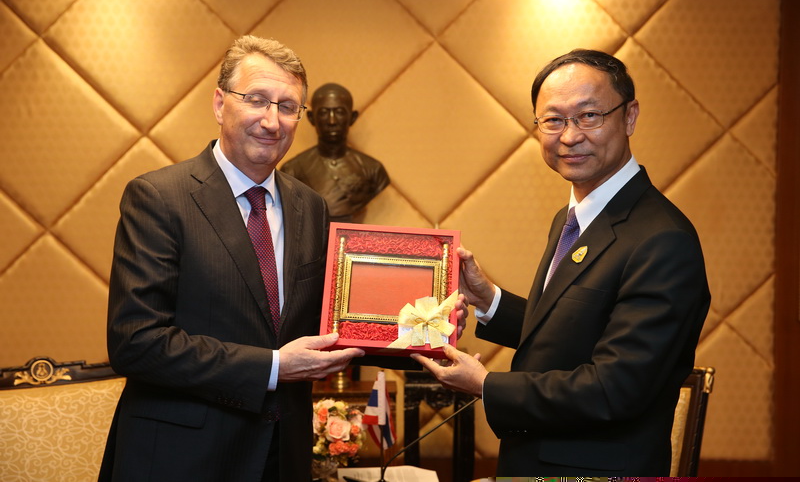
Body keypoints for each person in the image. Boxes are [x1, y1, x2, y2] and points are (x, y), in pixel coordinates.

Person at [411, 49, 711, 476]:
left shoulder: (662, 239)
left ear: (629, 117)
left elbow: (615, 388)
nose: (569, 136)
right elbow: (572, 333)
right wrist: (489, 299)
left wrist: (486, 385)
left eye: (589, 116)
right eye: (553, 120)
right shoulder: (572, 219)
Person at [99, 35, 365, 482]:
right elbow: (136, 343)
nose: (272, 121)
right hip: (182, 459)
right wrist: (275, 367)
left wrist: (424, 328)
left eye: (287, 107)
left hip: (282, 457)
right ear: (220, 104)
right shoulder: (159, 198)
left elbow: (332, 320)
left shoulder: (311, 206)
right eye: (256, 100)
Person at [281, 83, 389, 223]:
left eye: (339, 112)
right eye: (324, 113)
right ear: (312, 118)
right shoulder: (292, 170)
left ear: (352, 117)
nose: (332, 121)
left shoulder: (373, 170)